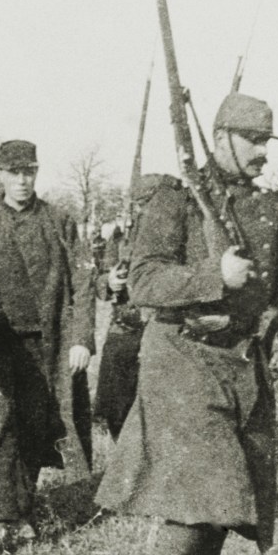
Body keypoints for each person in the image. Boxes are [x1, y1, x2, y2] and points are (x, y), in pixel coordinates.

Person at [96, 93, 278, 555]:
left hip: (243, 368)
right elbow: (143, 281)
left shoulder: (271, 211)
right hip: (183, 361)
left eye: (268, 141)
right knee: (209, 486)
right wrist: (213, 275)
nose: (264, 152)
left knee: (231, 497)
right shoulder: (177, 200)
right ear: (221, 138)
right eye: (254, 140)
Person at [0, 139, 96, 552]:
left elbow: (83, 284)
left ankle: (25, 510)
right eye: (13, 172)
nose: (21, 180)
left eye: (29, 171)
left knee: (37, 425)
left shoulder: (58, 221)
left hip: (47, 345)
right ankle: (1, 518)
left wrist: (81, 339)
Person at [93, 173, 160, 441]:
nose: (143, 211)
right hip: (124, 327)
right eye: (140, 204)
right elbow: (99, 277)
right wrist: (109, 281)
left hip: (159, 330)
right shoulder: (120, 240)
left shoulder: (175, 236)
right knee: (115, 406)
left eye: (149, 204)